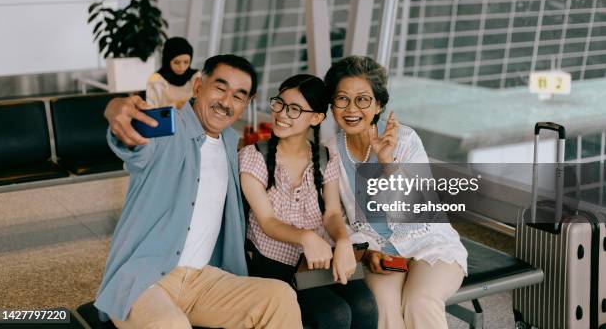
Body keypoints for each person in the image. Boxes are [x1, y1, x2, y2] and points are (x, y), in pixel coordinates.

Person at [97, 54, 302, 329]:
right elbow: (134, 145)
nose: (226, 102)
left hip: (202, 281)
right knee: (171, 324)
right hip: (144, 280)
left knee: (280, 297)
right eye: (219, 88)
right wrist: (115, 108)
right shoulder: (168, 132)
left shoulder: (232, 146)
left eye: (238, 96)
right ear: (197, 87)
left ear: (246, 104)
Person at [323, 56, 468, 329]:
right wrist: (364, 253)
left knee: (420, 300)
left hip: (429, 243)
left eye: (363, 99)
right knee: (382, 309)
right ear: (332, 105)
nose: (351, 108)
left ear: (378, 105)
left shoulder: (405, 140)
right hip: (379, 251)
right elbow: (335, 216)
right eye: (342, 99)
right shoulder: (329, 151)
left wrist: (389, 163)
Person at [239, 74, 378, 329]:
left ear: (316, 118)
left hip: (318, 260)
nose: (281, 114)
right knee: (334, 314)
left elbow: (333, 213)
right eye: (279, 104)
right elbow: (268, 222)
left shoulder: (325, 157)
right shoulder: (253, 157)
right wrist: (306, 237)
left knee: (365, 304)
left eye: (294, 109)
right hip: (273, 264)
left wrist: (344, 241)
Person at [146, 37, 201, 109]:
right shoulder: (156, 80)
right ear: (167, 60)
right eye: (177, 62)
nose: (182, 67)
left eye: (186, 62)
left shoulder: (195, 77)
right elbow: (151, 110)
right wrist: (175, 105)